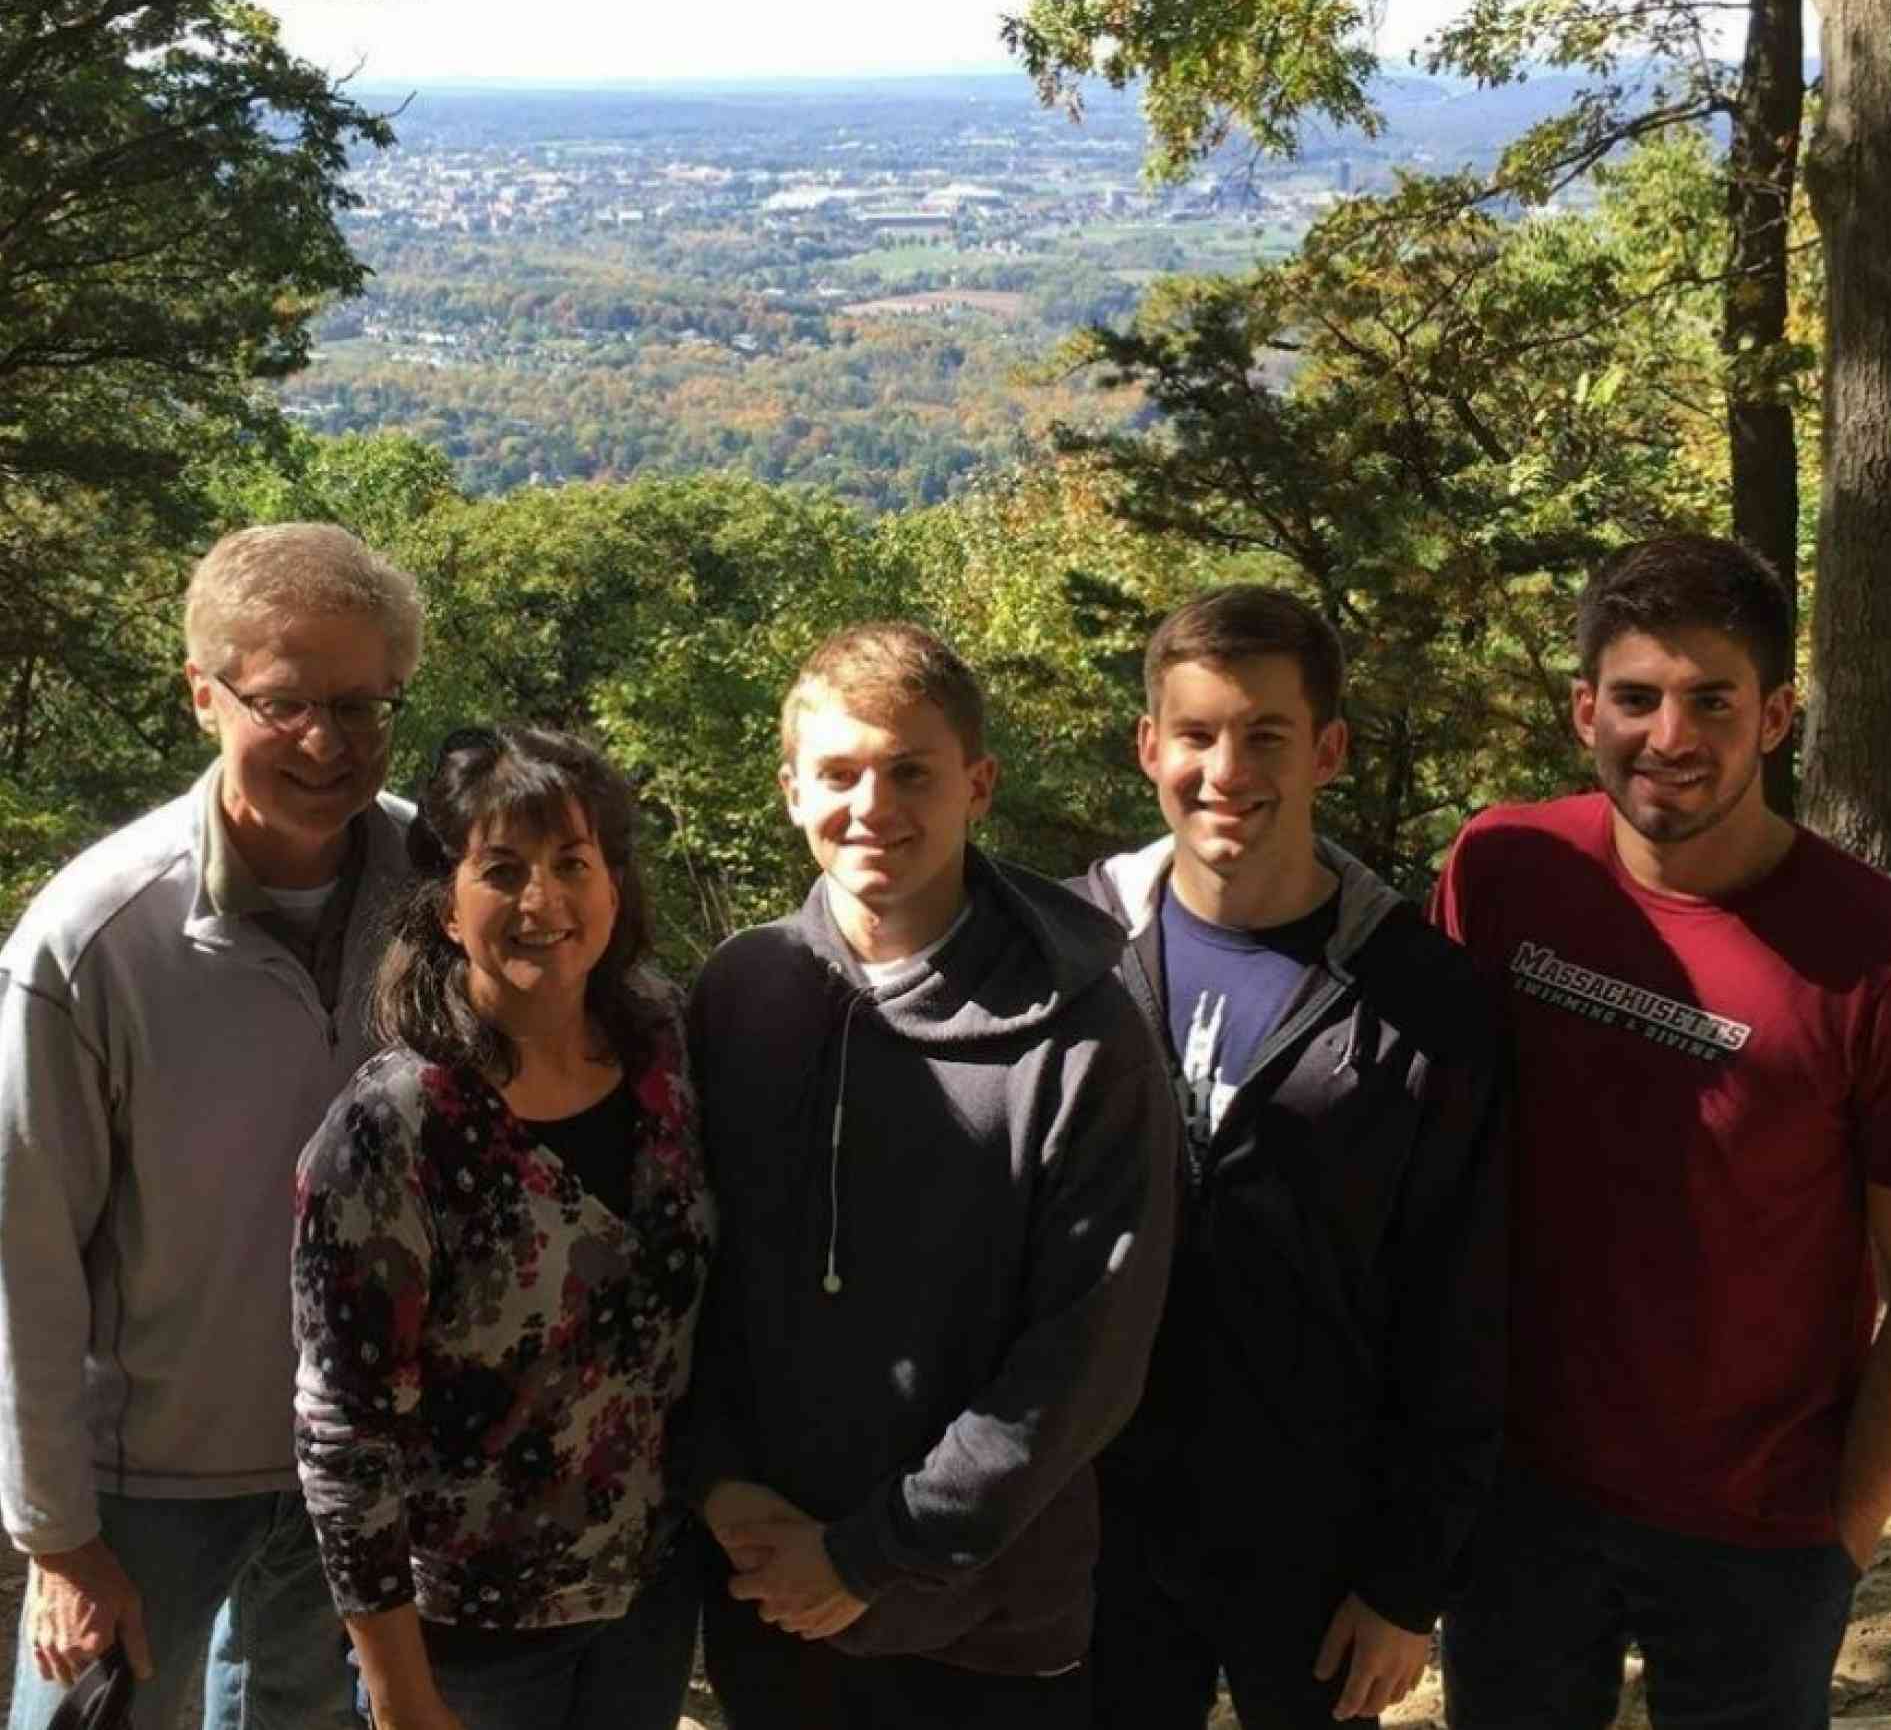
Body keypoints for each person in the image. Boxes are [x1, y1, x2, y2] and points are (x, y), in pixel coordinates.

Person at [1432, 534, 1891, 1730]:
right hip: (1514, 1496)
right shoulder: (1503, 870)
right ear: (1585, 706)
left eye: (1710, 700)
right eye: (1634, 697)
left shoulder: (1887, 959)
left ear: (1776, 715)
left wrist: (1836, 1540)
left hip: (1757, 1527)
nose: (1669, 736)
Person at [689, 621, 1179, 1730]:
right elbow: (690, 1267)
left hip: (991, 1625)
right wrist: (717, 1486)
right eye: (839, 773)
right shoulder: (738, 992)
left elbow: (1086, 1354)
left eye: (911, 771)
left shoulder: (1083, 1032)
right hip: (767, 1587)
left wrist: (874, 1553)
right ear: (788, 790)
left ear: (978, 783)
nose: (873, 806)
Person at [0, 523, 424, 1730]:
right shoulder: (93, 941)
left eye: (362, 703)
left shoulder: (437, 887)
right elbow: (24, 1251)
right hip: (147, 1475)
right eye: (285, 701)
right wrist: (56, 1534)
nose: (327, 742)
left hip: (356, 1461)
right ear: (204, 695)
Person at [1074, 584, 1508, 1729]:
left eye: (1265, 734)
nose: (1226, 769)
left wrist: (1405, 1580)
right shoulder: (1072, 957)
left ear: (1327, 749)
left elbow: (1460, 1306)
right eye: (1197, 733)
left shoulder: (1423, 994)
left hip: (1318, 1533)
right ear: (1147, 746)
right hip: (1097, 1529)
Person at [291, 726, 714, 1730]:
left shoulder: (666, 1048)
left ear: (614, 880)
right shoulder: (395, 1128)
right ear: (445, 902)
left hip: (647, 1602)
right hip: (467, 1644)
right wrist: (398, 1691)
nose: (543, 901)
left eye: (573, 862)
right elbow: (343, 1434)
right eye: (503, 869)